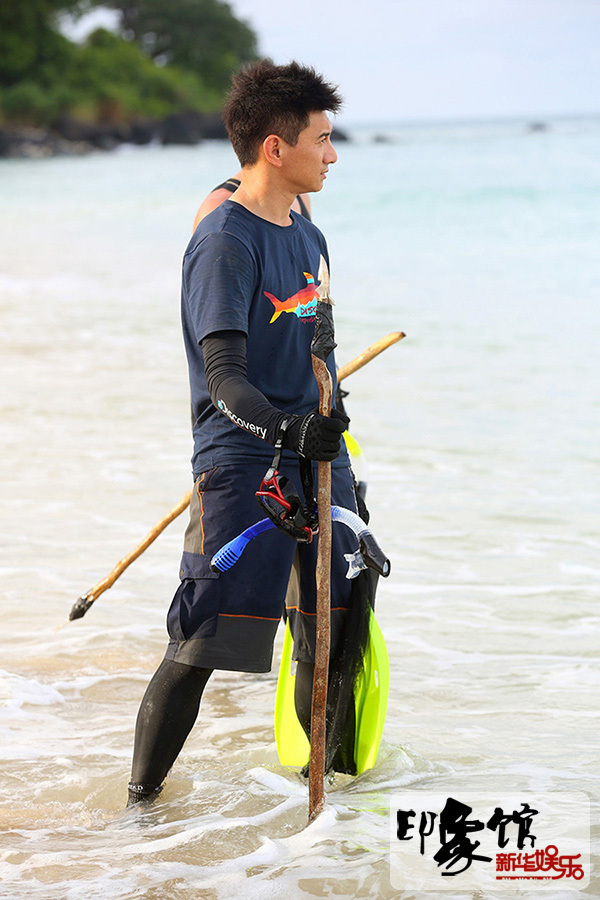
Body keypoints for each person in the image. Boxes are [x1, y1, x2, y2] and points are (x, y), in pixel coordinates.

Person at [127, 60, 360, 805]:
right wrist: (288, 430)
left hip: (320, 458)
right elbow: (224, 379)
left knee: (335, 633)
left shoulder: (309, 235)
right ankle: (139, 809)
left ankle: (331, 813)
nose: (333, 155)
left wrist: (333, 421)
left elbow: (318, 349)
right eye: (322, 140)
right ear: (275, 148)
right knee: (203, 643)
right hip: (243, 461)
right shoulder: (225, 242)